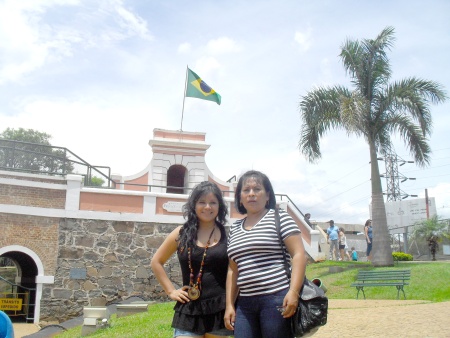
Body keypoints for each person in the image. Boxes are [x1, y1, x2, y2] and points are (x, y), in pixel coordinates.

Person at [224, 170, 306, 338]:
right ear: (240, 197)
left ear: (267, 195)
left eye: (257, 189)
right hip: (245, 304)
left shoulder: (280, 218)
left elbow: (299, 255)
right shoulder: (234, 228)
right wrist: (229, 305)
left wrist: (293, 292)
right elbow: (233, 270)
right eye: (246, 190)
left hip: (276, 299)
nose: (251, 194)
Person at [150, 181, 232, 338]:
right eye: (202, 202)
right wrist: (171, 291)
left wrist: (231, 305)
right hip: (189, 309)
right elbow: (156, 262)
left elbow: (233, 272)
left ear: (219, 206)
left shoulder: (228, 236)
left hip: (218, 310)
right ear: (194, 205)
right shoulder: (180, 233)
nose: (207, 207)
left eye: (213, 202)